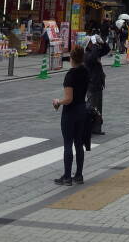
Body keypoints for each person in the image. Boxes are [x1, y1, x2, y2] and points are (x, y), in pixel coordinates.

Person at [53, 45, 90, 186]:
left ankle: (67, 177)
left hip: (71, 112)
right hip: (82, 110)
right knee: (78, 143)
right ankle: (79, 175)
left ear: (71, 58)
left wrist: (58, 102)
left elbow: (69, 99)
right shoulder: (85, 72)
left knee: (68, 144)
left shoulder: (70, 75)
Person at [84, 34, 108, 134]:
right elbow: (93, 58)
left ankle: (97, 128)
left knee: (98, 107)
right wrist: (94, 45)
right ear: (88, 44)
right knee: (91, 107)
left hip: (98, 83)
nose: (94, 44)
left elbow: (106, 50)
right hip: (91, 84)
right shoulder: (86, 55)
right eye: (91, 42)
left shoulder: (94, 52)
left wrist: (103, 42)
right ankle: (88, 127)